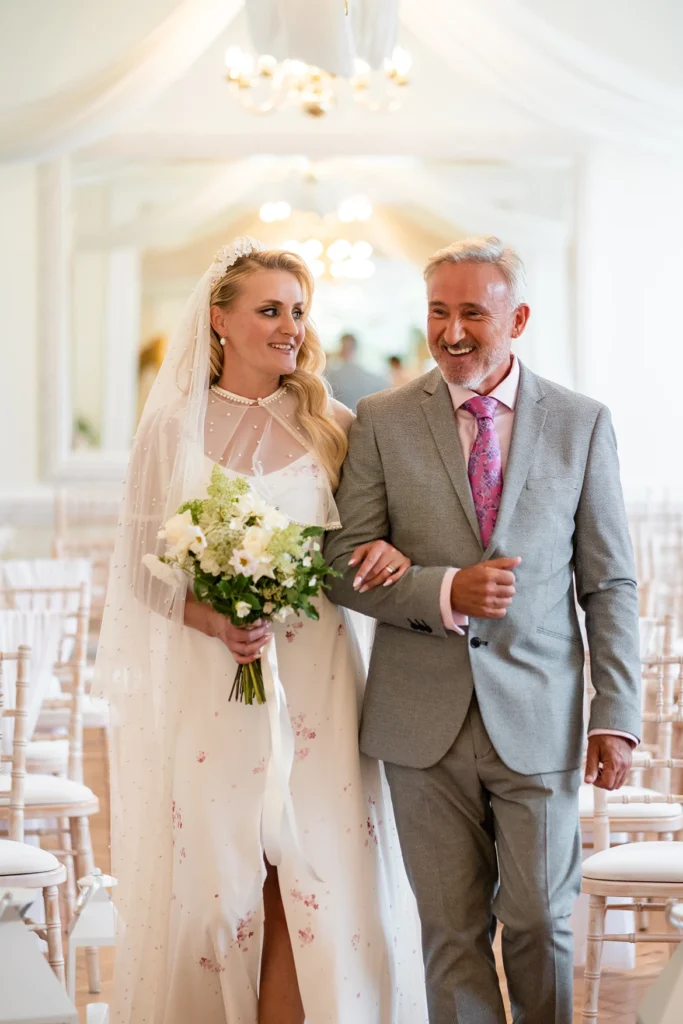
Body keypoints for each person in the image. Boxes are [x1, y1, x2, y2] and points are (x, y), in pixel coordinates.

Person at [95, 238, 428, 1023]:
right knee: (221, 874)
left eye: (298, 311)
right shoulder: (170, 429)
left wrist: (384, 553)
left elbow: (369, 542)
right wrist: (214, 620)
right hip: (211, 678)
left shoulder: (333, 423)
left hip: (315, 672)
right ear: (220, 319)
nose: (288, 325)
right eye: (269, 309)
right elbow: (140, 567)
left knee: (315, 863)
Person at [324, 235, 641, 1024]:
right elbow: (339, 563)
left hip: (538, 713)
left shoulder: (581, 422)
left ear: (518, 317)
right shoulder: (382, 420)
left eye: (473, 312)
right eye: (438, 311)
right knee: (451, 933)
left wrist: (616, 716)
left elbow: (608, 583)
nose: (452, 331)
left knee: (539, 919)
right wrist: (441, 590)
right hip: (417, 719)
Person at [325, 331, 390, 411]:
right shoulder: (371, 376)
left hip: (339, 419)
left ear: (341, 348)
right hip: (362, 418)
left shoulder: (332, 375)